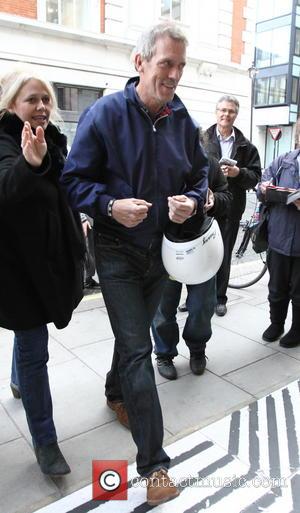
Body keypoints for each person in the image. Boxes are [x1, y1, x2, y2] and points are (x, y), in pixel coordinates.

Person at [61, 22, 208, 506]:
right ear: (140, 61)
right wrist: (109, 206)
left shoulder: (182, 118)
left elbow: (199, 174)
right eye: (167, 63)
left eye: (181, 66)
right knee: (138, 348)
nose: (175, 74)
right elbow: (73, 181)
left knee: (132, 338)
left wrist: (191, 198)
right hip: (118, 252)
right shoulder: (103, 114)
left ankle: (115, 391)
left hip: (161, 252)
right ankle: (154, 464)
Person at [0, 68, 84, 476]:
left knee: (28, 336)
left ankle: (16, 379)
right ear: (12, 104)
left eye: (46, 100)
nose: (41, 107)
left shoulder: (52, 140)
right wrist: (29, 165)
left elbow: (64, 189)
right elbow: (7, 189)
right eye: (32, 99)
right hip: (17, 270)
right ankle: (46, 443)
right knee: (35, 348)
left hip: (49, 262)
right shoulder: (5, 141)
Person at [152, 140, 232, 380]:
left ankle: (198, 350)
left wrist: (215, 201)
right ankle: (164, 354)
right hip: (166, 247)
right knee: (164, 310)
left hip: (202, 246)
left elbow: (226, 197)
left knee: (201, 307)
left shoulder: (209, 164)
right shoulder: (157, 163)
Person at [205, 95, 261, 316]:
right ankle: (196, 297)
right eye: (222, 110)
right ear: (216, 112)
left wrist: (239, 173)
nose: (225, 114)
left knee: (224, 253)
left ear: (235, 115)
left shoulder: (246, 146)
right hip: (207, 205)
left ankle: (219, 297)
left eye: (230, 111)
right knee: (202, 252)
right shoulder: (202, 139)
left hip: (232, 207)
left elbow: (256, 176)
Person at [258, 150, 300, 347]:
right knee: (276, 287)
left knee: (299, 291)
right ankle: (276, 324)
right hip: (279, 236)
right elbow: (262, 186)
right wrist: (263, 188)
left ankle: (297, 330)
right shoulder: (284, 160)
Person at [80, 213, 101, 290]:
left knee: (90, 251)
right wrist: (83, 219)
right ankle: (86, 280)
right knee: (87, 251)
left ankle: (88, 279)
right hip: (85, 221)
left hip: (90, 220)